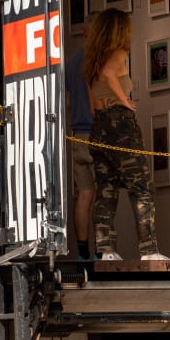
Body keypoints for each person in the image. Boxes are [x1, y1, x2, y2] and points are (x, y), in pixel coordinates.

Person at [82, 8, 167, 261]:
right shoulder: (118, 53)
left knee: (106, 190)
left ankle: (106, 250)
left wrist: (105, 107)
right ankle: (149, 251)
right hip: (120, 125)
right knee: (142, 187)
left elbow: (90, 102)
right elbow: (110, 75)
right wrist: (124, 101)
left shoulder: (92, 60)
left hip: (99, 126)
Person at [66, 28, 97, 257]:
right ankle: (106, 249)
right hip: (96, 132)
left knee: (84, 194)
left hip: (77, 133)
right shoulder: (98, 59)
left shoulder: (71, 62)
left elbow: (67, 98)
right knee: (105, 194)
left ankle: (83, 252)